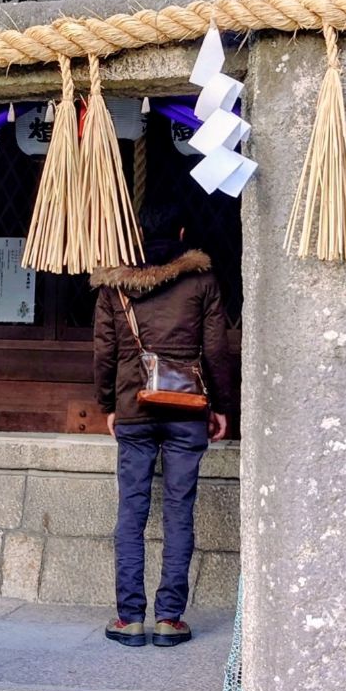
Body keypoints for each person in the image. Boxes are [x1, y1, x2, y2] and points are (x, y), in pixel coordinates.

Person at [91, 197, 233, 647]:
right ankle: (170, 618)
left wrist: (108, 403)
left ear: (133, 236)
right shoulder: (201, 281)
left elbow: (104, 353)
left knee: (131, 512)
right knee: (178, 511)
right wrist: (221, 405)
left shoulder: (114, 287)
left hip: (134, 407)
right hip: (188, 409)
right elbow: (216, 351)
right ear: (183, 236)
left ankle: (129, 618)